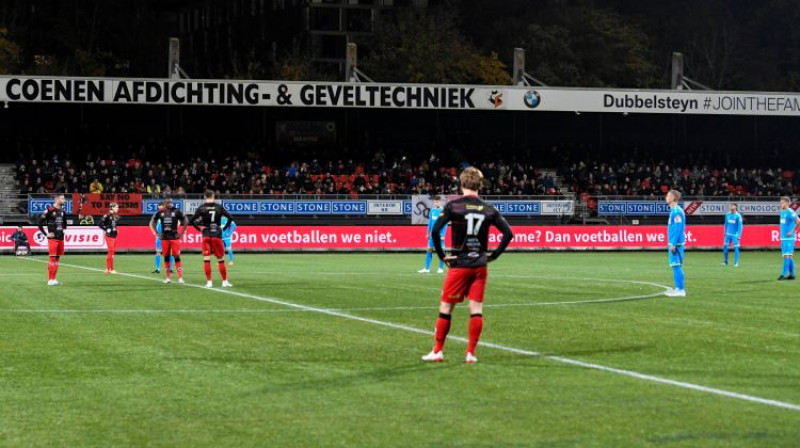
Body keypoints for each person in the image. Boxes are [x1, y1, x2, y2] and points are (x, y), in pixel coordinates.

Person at [421, 167, 514, 364]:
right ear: (480, 185)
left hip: (460, 263)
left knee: (446, 306)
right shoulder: (489, 209)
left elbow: (436, 231)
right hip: (480, 265)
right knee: (476, 308)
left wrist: (442, 255)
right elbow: (508, 234)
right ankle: (470, 353)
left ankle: (438, 350)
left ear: (461, 184)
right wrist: (494, 255)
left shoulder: (453, 207)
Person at [190, 190, 233, 288]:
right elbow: (230, 218)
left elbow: (191, 221)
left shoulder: (202, 208)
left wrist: (199, 229)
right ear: (213, 196)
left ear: (205, 197)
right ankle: (224, 282)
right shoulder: (219, 207)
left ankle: (209, 282)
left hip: (206, 235)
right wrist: (224, 228)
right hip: (216, 235)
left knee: (206, 259)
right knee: (221, 259)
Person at [149, 197, 187, 284]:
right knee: (166, 257)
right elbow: (152, 222)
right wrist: (156, 233)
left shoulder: (176, 211)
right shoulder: (160, 212)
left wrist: (182, 233)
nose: (170, 203)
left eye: (171, 202)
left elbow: (186, 220)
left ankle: (180, 277)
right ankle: (168, 277)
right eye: (168, 202)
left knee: (176, 256)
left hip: (174, 238)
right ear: (165, 204)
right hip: (165, 238)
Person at [38, 193, 68, 286]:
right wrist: (46, 234)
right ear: (57, 199)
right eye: (63, 199)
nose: (64, 200)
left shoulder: (63, 211)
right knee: (52, 258)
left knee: (57, 259)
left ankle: (54, 279)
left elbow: (65, 224)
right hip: (53, 239)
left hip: (60, 238)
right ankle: (50, 279)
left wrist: (63, 229)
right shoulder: (49, 210)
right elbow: (39, 223)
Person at [418, 195, 448, 274]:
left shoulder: (443, 211)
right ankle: (426, 268)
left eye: (437, 202)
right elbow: (430, 223)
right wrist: (427, 233)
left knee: (441, 251)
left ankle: (441, 268)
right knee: (429, 250)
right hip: (432, 235)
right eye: (435, 202)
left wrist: (443, 235)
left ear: (440, 202)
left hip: (439, 235)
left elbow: (445, 224)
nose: (436, 203)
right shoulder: (432, 211)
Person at [665, 190, 686, 297]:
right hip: (674, 243)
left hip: (676, 244)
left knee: (676, 266)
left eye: (668, 195)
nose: (666, 197)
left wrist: (673, 243)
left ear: (673, 198)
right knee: (675, 266)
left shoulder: (676, 211)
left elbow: (678, 228)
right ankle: (678, 288)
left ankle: (681, 290)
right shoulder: (674, 210)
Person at [778, 196, 799, 280]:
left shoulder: (791, 212)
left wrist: (792, 232)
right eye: (780, 203)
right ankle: (792, 275)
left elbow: (798, 222)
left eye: (782, 203)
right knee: (789, 256)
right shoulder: (782, 212)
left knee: (787, 255)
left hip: (789, 238)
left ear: (787, 203)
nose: (781, 204)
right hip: (783, 238)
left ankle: (783, 275)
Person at [152, 202, 174, 274]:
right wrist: (155, 232)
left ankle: (170, 269)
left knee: (170, 253)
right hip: (160, 237)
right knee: (158, 252)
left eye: (161, 207)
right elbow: (151, 223)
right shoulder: (157, 215)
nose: (160, 208)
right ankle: (157, 269)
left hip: (168, 236)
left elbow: (178, 222)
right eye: (159, 207)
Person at [99, 203, 120, 274]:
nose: (118, 209)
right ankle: (109, 269)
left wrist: (116, 229)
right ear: (112, 208)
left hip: (114, 236)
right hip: (109, 236)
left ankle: (111, 269)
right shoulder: (107, 215)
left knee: (112, 252)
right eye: (116, 207)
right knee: (111, 251)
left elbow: (113, 225)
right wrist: (106, 229)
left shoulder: (114, 216)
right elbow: (99, 224)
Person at [722, 203, 743, 267]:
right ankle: (725, 262)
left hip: (735, 235)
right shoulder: (727, 214)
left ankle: (736, 263)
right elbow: (726, 224)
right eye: (731, 208)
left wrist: (739, 235)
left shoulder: (738, 216)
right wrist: (724, 232)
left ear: (735, 208)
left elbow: (740, 226)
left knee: (736, 248)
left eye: (733, 208)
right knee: (725, 248)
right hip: (728, 234)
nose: (732, 209)